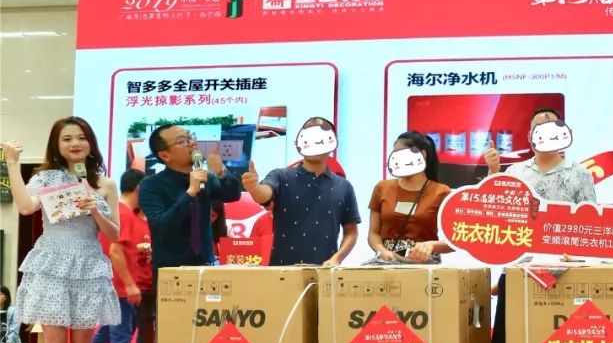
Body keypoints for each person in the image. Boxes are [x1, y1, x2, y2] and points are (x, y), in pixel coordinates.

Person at [483, 108, 598, 343]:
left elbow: (591, 223)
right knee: (508, 341)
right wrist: (493, 173)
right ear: (530, 136)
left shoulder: (579, 173)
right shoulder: (515, 172)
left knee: (556, 342)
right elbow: (497, 218)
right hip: (518, 270)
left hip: (563, 272)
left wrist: (577, 253)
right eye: (539, 128)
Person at [2, 118, 121, 343]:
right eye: (67, 139)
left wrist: (95, 210)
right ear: (56, 145)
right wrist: (13, 164)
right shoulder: (45, 178)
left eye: (81, 137)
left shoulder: (105, 184)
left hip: (88, 266)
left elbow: (114, 234)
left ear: (91, 143)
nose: (75, 143)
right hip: (51, 265)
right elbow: (25, 207)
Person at [242, 117, 359, 266]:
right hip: (282, 271)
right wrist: (254, 188)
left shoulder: (344, 186)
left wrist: (337, 258)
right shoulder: (281, 176)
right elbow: (264, 194)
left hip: (326, 272)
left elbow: (351, 231)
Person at [139, 123, 241, 269]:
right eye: (182, 141)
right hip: (170, 268)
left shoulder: (206, 178)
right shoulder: (151, 185)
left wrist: (221, 172)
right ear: (165, 155)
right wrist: (190, 192)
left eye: (190, 137)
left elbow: (232, 195)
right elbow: (161, 226)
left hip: (206, 265)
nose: (192, 143)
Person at [91, 168, 152, 343]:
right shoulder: (122, 213)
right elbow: (115, 252)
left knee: (109, 332)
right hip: (120, 286)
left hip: (122, 284)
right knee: (121, 335)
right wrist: (129, 284)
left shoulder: (128, 214)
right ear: (139, 188)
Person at [369, 131, 452, 263]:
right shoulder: (382, 188)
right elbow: (373, 233)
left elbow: (456, 240)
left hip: (425, 265)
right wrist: (382, 250)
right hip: (387, 263)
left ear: (422, 155)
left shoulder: (442, 192)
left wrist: (431, 246)